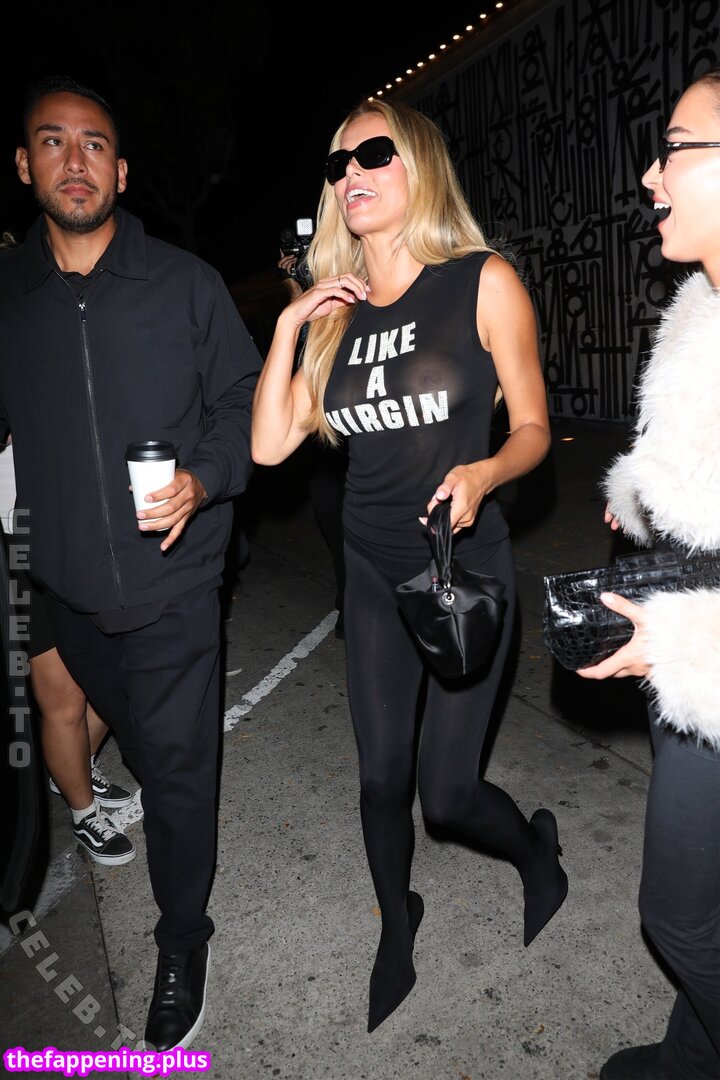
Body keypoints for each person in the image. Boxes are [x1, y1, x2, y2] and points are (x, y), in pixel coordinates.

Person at [252, 98, 568, 1033]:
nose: (351, 172)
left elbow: (535, 428)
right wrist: (291, 324)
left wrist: (485, 471)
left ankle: (538, 854)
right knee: (380, 779)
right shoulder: (334, 317)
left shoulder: (482, 282)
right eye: (339, 162)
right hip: (370, 574)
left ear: (418, 164)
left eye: (374, 154)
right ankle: (398, 921)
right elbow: (268, 446)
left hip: (466, 571)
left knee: (450, 795)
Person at [0, 76, 261, 1050]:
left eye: (96, 144)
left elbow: (243, 403)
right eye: (54, 142)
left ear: (120, 171)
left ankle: (182, 941)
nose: (76, 160)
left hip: (176, 587)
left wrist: (203, 478)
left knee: (182, 776)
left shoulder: (185, 284)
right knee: (147, 748)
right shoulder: (9, 300)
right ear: (24, 165)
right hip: (67, 592)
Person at [577, 67, 720, 1080]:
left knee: (677, 914)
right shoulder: (699, 309)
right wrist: (639, 498)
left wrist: (669, 643)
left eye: (675, 148)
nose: (649, 173)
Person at [0, 435, 134, 866]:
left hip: (80, 525)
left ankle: (74, 767)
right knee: (64, 696)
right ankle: (83, 813)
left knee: (115, 675)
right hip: (14, 537)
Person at [276, 248, 348, 638]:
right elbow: (304, 359)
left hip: (360, 432)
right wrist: (294, 289)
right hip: (323, 439)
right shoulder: (316, 304)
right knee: (334, 522)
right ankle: (350, 598)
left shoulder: (355, 296)